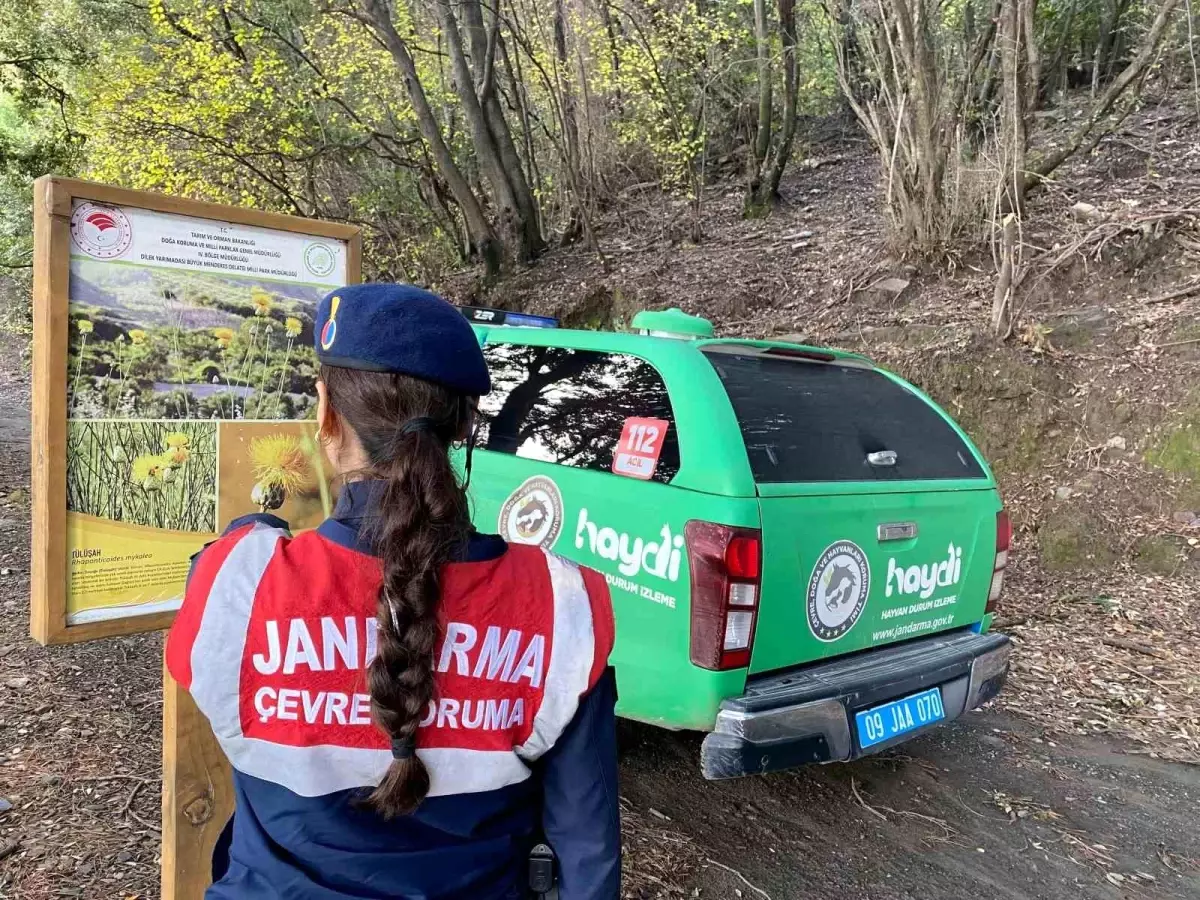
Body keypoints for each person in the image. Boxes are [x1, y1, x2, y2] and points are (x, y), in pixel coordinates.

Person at [165, 283, 620, 900]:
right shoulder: (562, 604)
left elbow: (223, 577)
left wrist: (251, 531)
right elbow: (587, 846)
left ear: (327, 414)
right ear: (464, 425)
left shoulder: (235, 580)